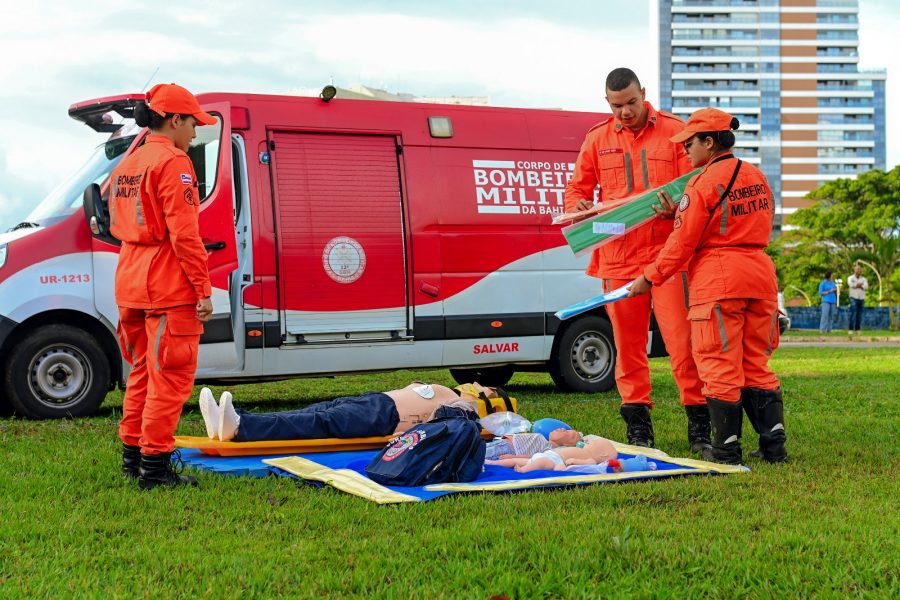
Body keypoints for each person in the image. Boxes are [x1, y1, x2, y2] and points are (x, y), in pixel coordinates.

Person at [628, 107, 788, 465]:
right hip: (761, 276)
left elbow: (681, 244)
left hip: (719, 280)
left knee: (718, 363)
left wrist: (649, 277)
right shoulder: (757, 176)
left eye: (690, 143)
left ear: (710, 142)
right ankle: (774, 448)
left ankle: (725, 450)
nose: (685, 150)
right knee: (756, 364)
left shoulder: (699, 184)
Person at [564, 67, 709, 453]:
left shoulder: (676, 131)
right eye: (616, 106)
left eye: (631, 102)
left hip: (668, 257)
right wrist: (576, 206)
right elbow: (577, 187)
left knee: (682, 345)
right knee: (627, 349)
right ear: (607, 102)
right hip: (617, 260)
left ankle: (700, 427)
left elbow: (697, 187)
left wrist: (677, 205)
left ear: (643, 94)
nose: (625, 112)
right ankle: (638, 430)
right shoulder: (597, 138)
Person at [111, 83, 217, 490]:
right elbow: (185, 235)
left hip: (130, 279)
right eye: (193, 124)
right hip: (167, 286)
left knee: (142, 372)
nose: (195, 134)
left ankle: (132, 457)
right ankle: (154, 470)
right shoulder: (175, 164)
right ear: (174, 120)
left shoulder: (129, 162)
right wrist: (202, 290)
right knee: (169, 378)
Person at [198, 382, 491, 442]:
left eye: (484, 388)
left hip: (384, 418)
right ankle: (233, 419)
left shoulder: (466, 407)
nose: (477, 383)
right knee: (312, 411)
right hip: (376, 401)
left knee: (316, 421)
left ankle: (240, 427)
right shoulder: (450, 390)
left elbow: (445, 422)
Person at [485, 437, 618, 473]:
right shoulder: (580, 448)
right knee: (517, 459)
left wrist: (573, 460)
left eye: (594, 443)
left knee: (540, 463)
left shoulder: (591, 458)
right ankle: (493, 462)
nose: (589, 443)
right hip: (547, 454)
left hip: (553, 460)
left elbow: (590, 463)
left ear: (603, 453)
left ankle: (523, 470)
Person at [485, 428, 585, 461]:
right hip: (500, 443)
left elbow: (532, 457)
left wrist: (513, 457)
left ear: (566, 444)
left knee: (473, 454)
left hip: (505, 449)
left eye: (568, 433)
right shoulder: (545, 442)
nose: (563, 429)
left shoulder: (550, 450)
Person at [847, 264, 868, 332]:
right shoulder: (850, 278)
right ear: (854, 270)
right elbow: (851, 285)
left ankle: (857, 329)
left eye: (859, 269)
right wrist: (860, 285)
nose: (858, 270)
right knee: (853, 313)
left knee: (859, 314)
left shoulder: (864, 279)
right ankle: (850, 329)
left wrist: (857, 285)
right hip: (853, 297)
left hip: (861, 298)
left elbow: (866, 287)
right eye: (857, 269)